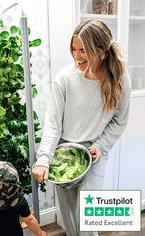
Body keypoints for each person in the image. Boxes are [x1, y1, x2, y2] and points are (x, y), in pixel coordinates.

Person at [32, 19, 131, 236]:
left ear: (102, 51)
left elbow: (120, 120)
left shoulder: (120, 79)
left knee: (88, 221)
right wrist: (43, 159)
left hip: (94, 154)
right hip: (63, 154)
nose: (77, 56)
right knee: (68, 222)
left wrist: (101, 146)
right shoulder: (64, 79)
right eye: (74, 49)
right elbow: (52, 124)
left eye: (84, 50)